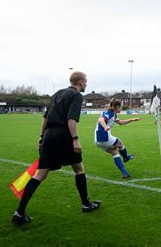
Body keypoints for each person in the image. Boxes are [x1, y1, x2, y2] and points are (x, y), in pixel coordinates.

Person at [12, 71, 100, 226]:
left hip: (49, 136)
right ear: (80, 82)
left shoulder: (57, 94)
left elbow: (45, 117)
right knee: (79, 169)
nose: (86, 84)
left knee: (40, 174)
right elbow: (71, 119)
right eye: (85, 81)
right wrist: (75, 139)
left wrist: (41, 137)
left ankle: (19, 212)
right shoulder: (76, 96)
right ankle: (86, 204)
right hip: (63, 136)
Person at [95, 99, 140, 178]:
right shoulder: (110, 113)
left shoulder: (113, 114)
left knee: (114, 152)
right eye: (120, 107)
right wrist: (105, 127)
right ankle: (126, 158)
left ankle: (124, 172)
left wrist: (131, 120)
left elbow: (120, 123)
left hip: (97, 140)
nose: (121, 109)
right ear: (116, 107)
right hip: (104, 136)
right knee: (120, 143)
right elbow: (101, 120)